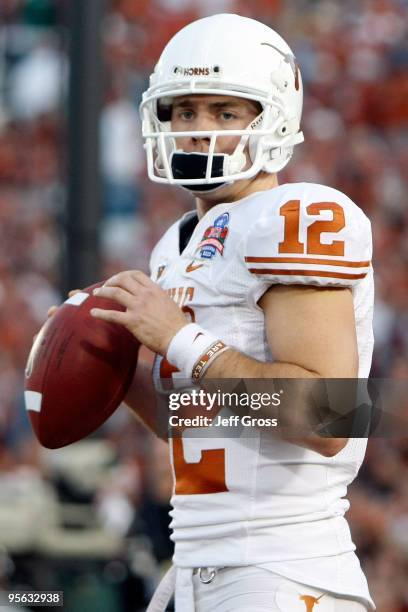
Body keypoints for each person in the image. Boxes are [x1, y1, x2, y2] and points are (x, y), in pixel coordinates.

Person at [74, 13, 375, 612]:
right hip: (195, 564)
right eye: (184, 112)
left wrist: (181, 340)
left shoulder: (295, 216)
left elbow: (329, 417)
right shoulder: (175, 246)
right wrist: (111, 366)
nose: (197, 130)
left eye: (224, 112)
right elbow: (200, 421)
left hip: (283, 568)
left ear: (274, 118)